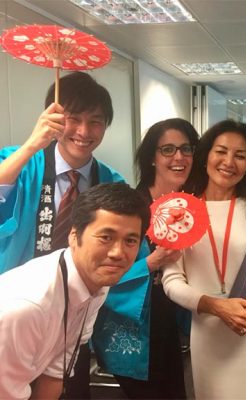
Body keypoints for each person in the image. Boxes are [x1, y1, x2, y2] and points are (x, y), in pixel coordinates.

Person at [0, 71, 124, 397]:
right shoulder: (19, 162)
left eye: (95, 122)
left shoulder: (110, 182)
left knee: (70, 389)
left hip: (73, 315)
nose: (83, 131)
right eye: (73, 118)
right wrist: (32, 145)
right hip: (17, 311)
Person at [162, 119, 246, 399]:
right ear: (206, 155)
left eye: (240, 155)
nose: (229, 162)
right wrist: (216, 306)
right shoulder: (180, 210)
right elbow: (171, 281)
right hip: (210, 335)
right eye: (221, 151)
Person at [0, 183, 150, 400]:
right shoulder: (29, 306)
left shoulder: (95, 283)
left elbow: (55, 370)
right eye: (106, 237)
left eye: (130, 240)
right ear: (73, 235)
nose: (118, 253)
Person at [92, 119, 199, 398]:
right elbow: (98, 275)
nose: (179, 157)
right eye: (168, 149)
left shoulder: (191, 207)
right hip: (133, 327)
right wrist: (152, 262)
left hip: (172, 322)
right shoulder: (127, 207)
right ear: (152, 157)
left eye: (186, 149)